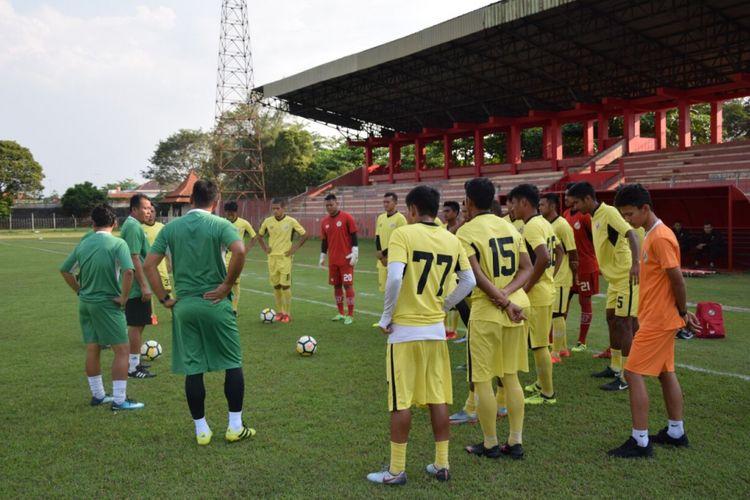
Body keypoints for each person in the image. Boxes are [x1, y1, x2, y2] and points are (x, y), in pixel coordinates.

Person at [368, 185, 475, 485]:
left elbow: (394, 277)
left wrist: (387, 316)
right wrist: (444, 304)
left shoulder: (404, 233)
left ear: (412, 209)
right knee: (437, 398)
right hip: (435, 330)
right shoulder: (451, 239)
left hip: (405, 331)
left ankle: (396, 470)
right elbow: (468, 281)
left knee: (401, 401)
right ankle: (442, 464)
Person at [144, 180, 255, 446]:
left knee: (193, 369)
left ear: (191, 200)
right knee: (231, 363)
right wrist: (227, 285)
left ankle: (201, 430)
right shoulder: (221, 225)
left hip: (185, 306)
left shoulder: (171, 228)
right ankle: (234, 427)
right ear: (215, 202)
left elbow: (150, 265)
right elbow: (239, 250)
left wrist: (164, 298)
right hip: (215, 303)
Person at [608, 183, 700, 458]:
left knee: (632, 372)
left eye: (629, 214)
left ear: (645, 209)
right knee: (664, 371)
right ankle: (675, 432)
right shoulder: (650, 234)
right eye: (623, 215)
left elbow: (677, 279)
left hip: (659, 320)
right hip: (657, 317)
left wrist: (683, 311)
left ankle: (640, 441)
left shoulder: (660, 237)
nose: (627, 220)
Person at [457, 177, 531, 459]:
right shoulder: (510, 227)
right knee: (510, 377)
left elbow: (475, 275)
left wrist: (500, 298)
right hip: (517, 308)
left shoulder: (466, 231)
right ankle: (515, 441)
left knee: (484, 380)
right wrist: (509, 294)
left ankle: (489, 444)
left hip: (488, 311)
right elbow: (526, 268)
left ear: (470, 202)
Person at [60, 204, 144, 411]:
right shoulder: (118, 244)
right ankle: (118, 400)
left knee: (93, 347)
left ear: (93, 223)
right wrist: (124, 297)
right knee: (122, 350)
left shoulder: (84, 243)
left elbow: (65, 270)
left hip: (86, 304)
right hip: (107, 304)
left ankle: (98, 395)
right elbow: (128, 272)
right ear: (115, 223)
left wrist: (79, 291)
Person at [567, 182, 641, 391]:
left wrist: (635, 264)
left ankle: (627, 376)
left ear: (588, 199)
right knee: (611, 318)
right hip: (614, 279)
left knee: (624, 323)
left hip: (626, 277)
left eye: (576, 203)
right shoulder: (595, 216)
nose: (574, 208)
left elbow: (632, 234)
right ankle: (615, 366)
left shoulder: (609, 212)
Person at [508, 184, 558, 405]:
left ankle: (548, 394)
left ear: (524, 203)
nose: (512, 208)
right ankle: (541, 383)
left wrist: (527, 287)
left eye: (513, 203)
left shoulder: (532, 227)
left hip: (537, 294)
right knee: (539, 343)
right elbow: (559, 252)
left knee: (539, 345)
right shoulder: (544, 223)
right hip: (545, 290)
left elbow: (544, 257)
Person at [120, 194, 156, 379]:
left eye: (150, 208)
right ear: (134, 209)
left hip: (136, 284)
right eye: (144, 208)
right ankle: (132, 367)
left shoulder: (134, 226)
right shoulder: (133, 227)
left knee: (139, 325)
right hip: (135, 286)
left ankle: (134, 362)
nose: (148, 211)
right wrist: (143, 285)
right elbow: (134, 257)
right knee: (136, 325)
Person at [540, 193, 578, 363]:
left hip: (561, 276)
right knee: (554, 314)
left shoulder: (562, 225)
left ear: (553, 206)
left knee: (557, 314)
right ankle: (562, 349)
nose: (540, 208)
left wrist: (574, 276)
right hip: (552, 275)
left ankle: (555, 353)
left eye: (543, 205)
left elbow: (572, 251)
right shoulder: (546, 224)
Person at [256, 198, 309, 322]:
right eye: (273, 208)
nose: (275, 211)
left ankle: (287, 313)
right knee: (276, 286)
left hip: (285, 258)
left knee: (285, 286)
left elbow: (305, 235)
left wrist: (294, 249)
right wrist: (265, 248)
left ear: (283, 208)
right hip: (272, 258)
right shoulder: (268, 221)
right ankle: (279, 312)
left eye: (277, 208)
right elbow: (259, 235)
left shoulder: (291, 221)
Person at [562, 187, 600, 355]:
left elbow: (597, 239)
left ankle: (581, 341)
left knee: (585, 303)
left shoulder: (585, 217)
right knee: (563, 303)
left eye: (569, 197)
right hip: (568, 267)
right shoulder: (564, 215)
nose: (566, 199)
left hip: (586, 267)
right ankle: (559, 340)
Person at [319, 194, 358, 325]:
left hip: (346, 260)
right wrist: (322, 255)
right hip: (333, 261)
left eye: (331, 204)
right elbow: (324, 241)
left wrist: (355, 252)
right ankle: (341, 313)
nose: (329, 207)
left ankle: (350, 314)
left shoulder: (347, 217)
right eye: (327, 206)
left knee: (348, 285)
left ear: (336, 203)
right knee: (336, 286)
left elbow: (354, 235)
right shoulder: (324, 222)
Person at [222, 201, 257, 315]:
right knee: (222, 281)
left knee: (235, 283)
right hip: (223, 256)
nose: (229, 214)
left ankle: (234, 309)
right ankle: (224, 307)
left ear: (235, 212)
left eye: (231, 212)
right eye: (227, 212)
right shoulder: (222, 223)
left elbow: (254, 236)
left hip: (237, 257)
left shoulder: (243, 223)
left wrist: (246, 250)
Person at [142, 207, 171, 325]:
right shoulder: (140, 228)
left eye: (152, 212)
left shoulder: (162, 227)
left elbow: (168, 246)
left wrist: (169, 261)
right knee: (150, 292)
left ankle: (174, 314)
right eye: (148, 212)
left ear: (155, 213)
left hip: (162, 265)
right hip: (148, 265)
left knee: (167, 290)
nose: (150, 214)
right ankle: (152, 316)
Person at [375, 192, 407, 293]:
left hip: (394, 259)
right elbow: (377, 236)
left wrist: (383, 254)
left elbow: (400, 241)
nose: (385, 204)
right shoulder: (380, 217)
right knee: (385, 291)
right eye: (384, 202)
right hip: (382, 261)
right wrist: (380, 255)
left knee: (396, 291)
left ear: (395, 202)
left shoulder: (400, 219)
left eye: (388, 202)